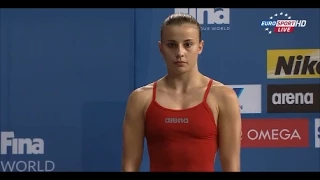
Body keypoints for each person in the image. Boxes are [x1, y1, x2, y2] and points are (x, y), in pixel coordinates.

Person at [121, 12, 241, 172]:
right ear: (160, 48)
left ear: (200, 47)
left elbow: (231, 166)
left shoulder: (223, 96)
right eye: (171, 45)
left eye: (188, 44)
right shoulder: (140, 98)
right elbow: (129, 166)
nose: (180, 52)